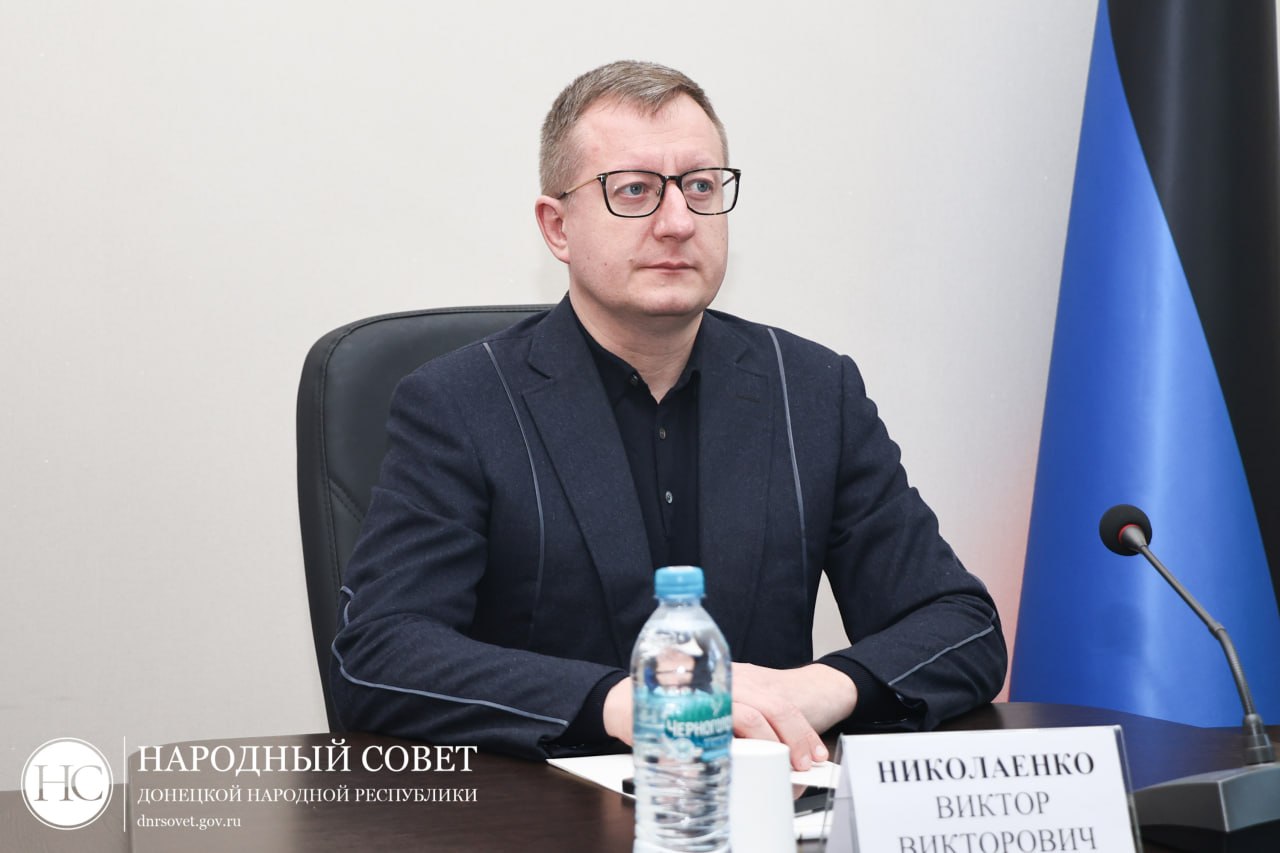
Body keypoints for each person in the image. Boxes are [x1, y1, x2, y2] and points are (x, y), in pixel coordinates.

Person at [330, 60, 1006, 771]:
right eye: (634, 190)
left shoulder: (812, 391)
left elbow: (962, 625)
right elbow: (379, 653)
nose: (678, 222)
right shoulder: (459, 404)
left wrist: (816, 690)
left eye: (701, 187)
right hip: (548, 810)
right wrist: (623, 703)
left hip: (764, 806)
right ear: (557, 227)